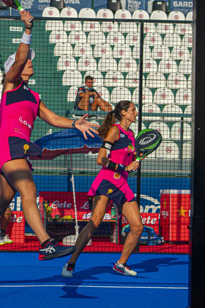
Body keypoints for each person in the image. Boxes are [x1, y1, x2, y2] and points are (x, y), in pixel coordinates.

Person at [0, 10, 99, 264]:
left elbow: (55, 120)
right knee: (29, 189)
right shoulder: (10, 85)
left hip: (16, 148)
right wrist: (27, 29)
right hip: (8, 144)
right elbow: (21, 56)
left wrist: (75, 123)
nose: (30, 62)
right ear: (16, 67)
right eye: (25, 62)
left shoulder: (34, 97)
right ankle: (46, 244)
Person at [62, 100, 143, 278]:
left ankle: (120, 264)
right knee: (95, 223)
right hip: (107, 181)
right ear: (123, 112)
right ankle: (70, 263)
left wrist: (133, 163)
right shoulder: (115, 130)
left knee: (137, 227)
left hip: (122, 183)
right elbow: (101, 159)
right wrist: (124, 168)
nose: (136, 113)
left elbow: (126, 160)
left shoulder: (131, 135)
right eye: (133, 110)